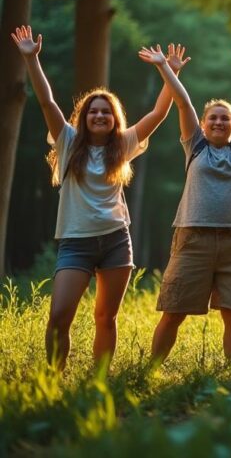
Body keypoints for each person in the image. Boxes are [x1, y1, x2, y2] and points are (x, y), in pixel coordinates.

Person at [10, 26, 180, 369]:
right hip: (76, 242)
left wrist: (169, 73)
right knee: (59, 316)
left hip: (116, 240)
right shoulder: (69, 142)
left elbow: (158, 115)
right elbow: (47, 101)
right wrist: (31, 59)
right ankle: (53, 381)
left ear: (114, 118)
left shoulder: (124, 145)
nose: (100, 115)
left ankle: (100, 380)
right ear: (84, 118)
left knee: (106, 317)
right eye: (93, 111)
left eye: (106, 111)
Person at [149, 38, 231, 366]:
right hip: (192, 238)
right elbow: (182, 103)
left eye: (225, 119)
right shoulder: (195, 145)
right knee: (173, 312)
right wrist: (165, 67)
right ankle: (150, 370)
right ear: (203, 124)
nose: (219, 122)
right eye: (213, 118)